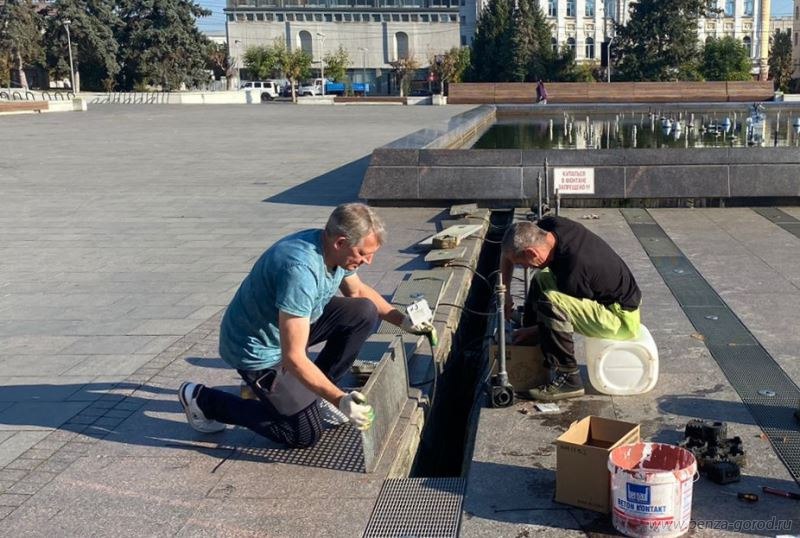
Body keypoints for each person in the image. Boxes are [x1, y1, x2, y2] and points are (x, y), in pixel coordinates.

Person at [178, 203, 435, 447]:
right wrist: (340, 399)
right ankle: (204, 400)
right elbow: (293, 357)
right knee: (303, 434)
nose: (368, 262)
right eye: (364, 254)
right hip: (258, 350)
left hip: (291, 325)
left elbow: (357, 293)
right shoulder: (300, 272)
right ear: (341, 242)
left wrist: (403, 321)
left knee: (363, 312)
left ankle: (315, 394)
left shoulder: (335, 251)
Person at [500, 217, 641, 401]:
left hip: (619, 318)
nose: (523, 267)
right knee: (541, 278)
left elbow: (565, 319)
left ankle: (569, 378)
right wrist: (506, 292)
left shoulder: (574, 270)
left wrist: (536, 331)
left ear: (532, 252)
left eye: (522, 263)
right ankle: (533, 338)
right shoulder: (550, 226)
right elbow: (508, 252)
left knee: (552, 303)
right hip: (603, 296)